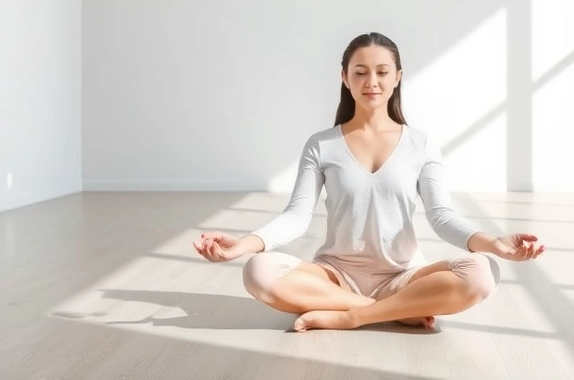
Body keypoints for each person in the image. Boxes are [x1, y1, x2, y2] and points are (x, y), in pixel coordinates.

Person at [193, 32, 545, 332]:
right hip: (334, 277)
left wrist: (494, 244)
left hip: (404, 276)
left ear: (398, 77)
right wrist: (242, 246)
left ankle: (350, 317)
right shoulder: (322, 144)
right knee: (259, 270)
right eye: (360, 72)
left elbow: (442, 217)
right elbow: (297, 216)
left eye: (381, 72)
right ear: (344, 77)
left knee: (484, 273)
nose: (371, 82)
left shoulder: (420, 144)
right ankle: (394, 310)